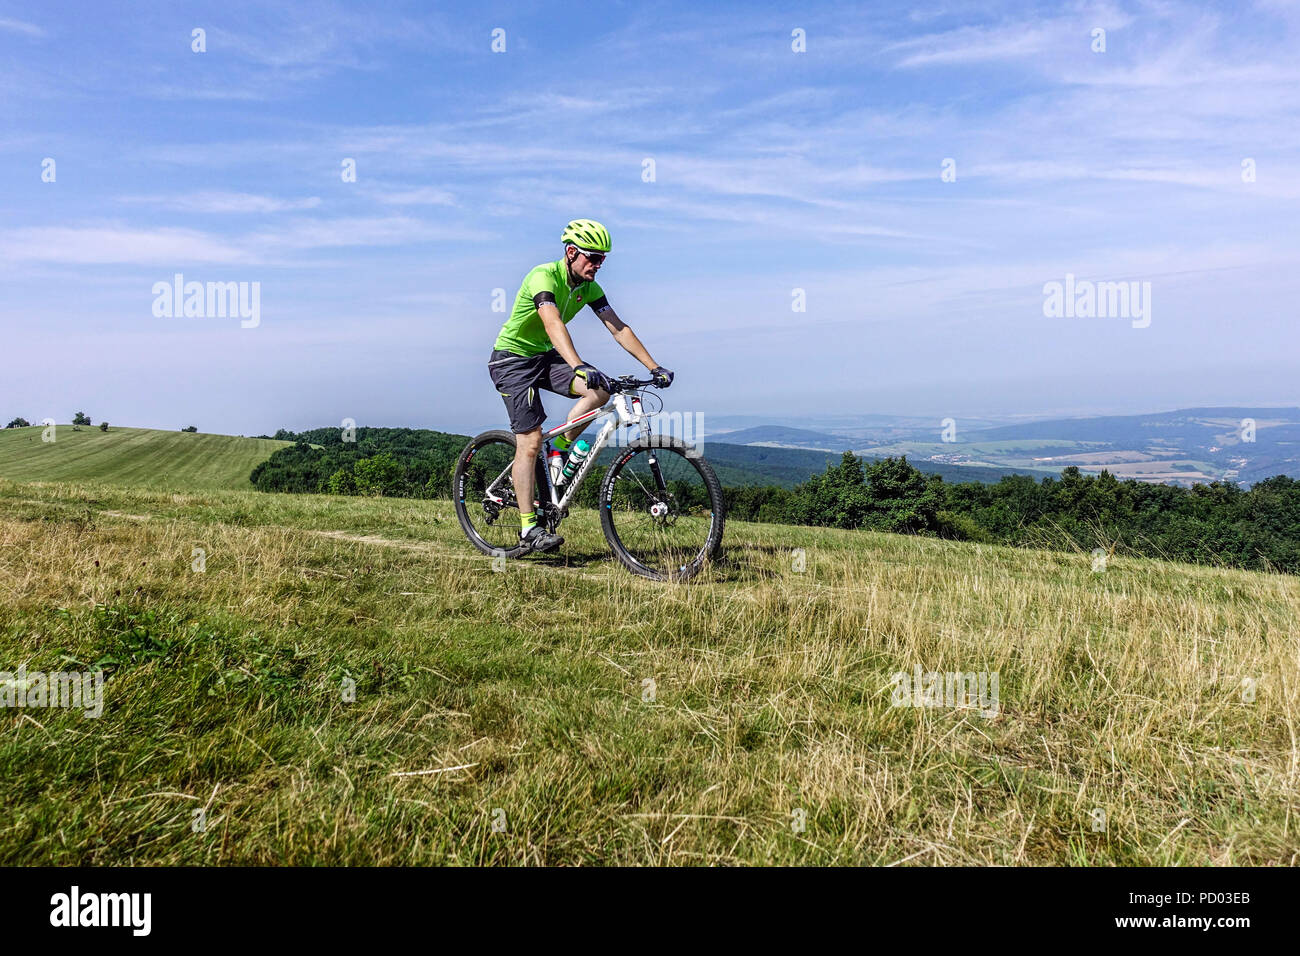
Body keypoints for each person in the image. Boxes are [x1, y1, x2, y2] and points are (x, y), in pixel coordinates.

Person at [488, 219, 674, 552]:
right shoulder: (543, 276)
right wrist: (577, 364)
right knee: (529, 441)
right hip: (512, 361)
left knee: (601, 390)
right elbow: (552, 321)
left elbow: (617, 328)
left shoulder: (588, 288)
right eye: (593, 257)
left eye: (603, 259)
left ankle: (558, 446)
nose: (598, 265)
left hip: (545, 358)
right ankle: (528, 528)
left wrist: (654, 366)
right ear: (571, 252)